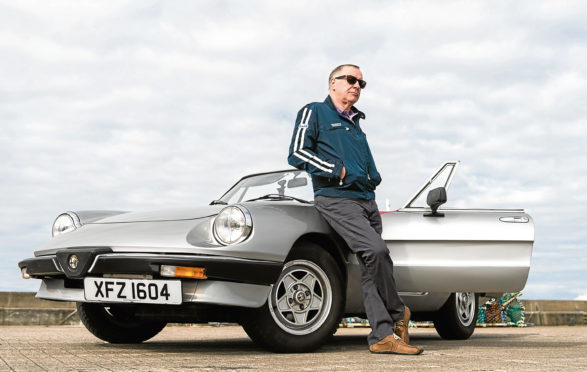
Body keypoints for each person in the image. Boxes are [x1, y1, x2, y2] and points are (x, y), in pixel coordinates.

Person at [287, 64, 423, 355]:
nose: (357, 86)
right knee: (376, 251)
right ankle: (399, 313)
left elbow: (367, 164)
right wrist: (339, 171)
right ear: (332, 83)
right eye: (351, 79)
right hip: (336, 198)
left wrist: (373, 177)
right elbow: (297, 153)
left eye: (362, 82)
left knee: (368, 266)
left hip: (367, 201)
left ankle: (381, 337)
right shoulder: (315, 111)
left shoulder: (355, 123)